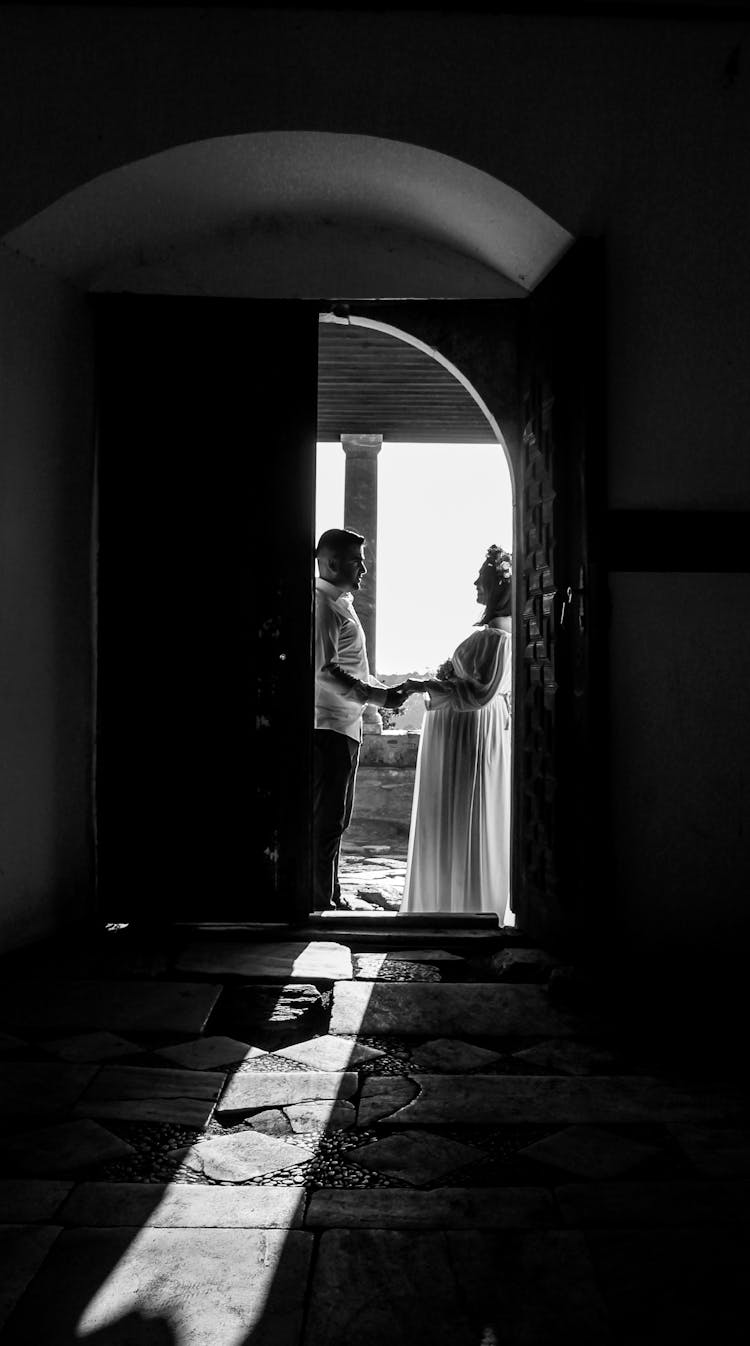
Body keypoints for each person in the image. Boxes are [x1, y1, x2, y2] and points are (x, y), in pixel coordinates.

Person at [400, 544, 513, 922]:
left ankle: (462, 904)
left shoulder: (496, 639)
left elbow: (477, 694)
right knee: (456, 814)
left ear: (497, 586)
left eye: (481, 576)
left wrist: (423, 685)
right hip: (462, 730)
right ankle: (449, 898)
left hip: (470, 732)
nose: (475, 582)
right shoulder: (491, 635)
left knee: (464, 809)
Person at [313, 528, 409, 910]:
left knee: (336, 821)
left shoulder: (341, 603)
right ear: (333, 562)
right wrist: (377, 695)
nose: (364, 569)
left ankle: (329, 896)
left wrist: (382, 694)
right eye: (357, 561)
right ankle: (316, 904)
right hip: (329, 727)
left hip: (345, 726)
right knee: (326, 823)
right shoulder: (324, 607)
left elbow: (350, 666)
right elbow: (323, 671)